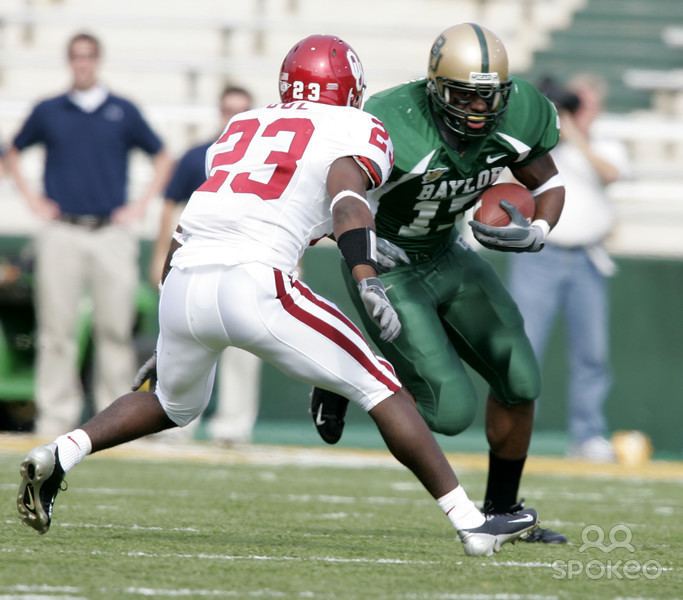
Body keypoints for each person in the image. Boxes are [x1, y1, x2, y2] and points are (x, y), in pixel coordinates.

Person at [17, 34, 539, 557]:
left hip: (186, 278)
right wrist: (364, 273)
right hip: (255, 281)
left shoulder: (240, 128)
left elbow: (190, 225)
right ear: (351, 87)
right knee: (382, 385)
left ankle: (62, 450)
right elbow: (346, 193)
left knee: (172, 404)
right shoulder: (357, 126)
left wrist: (167, 335)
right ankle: (473, 524)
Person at [309, 23, 567, 543]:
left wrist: (538, 229)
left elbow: (550, 182)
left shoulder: (520, 113)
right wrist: (361, 260)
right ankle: (346, 375)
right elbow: (338, 195)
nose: (477, 110)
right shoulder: (391, 121)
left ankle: (504, 511)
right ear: (434, 86)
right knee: (448, 412)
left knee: (520, 379)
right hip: (390, 264)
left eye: (488, 97)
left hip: (449, 251)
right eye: (464, 96)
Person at [6, 32, 172, 436]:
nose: (82, 64)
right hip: (62, 231)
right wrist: (32, 199)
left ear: (97, 60)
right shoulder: (49, 110)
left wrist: (139, 205)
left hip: (110, 233)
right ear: (69, 61)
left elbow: (163, 156)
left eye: (88, 57)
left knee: (114, 330)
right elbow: (11, 151)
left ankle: (113, 422)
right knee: (55, 331)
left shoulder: (122, 110)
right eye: (76, 57)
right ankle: (54, 419)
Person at [508, 74, 629, 462]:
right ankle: (516, 431)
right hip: (540, 255)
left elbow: (609, 173)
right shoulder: (545, 142)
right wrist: (552, 121)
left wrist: (576, 132)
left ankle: (588, 433)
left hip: (586, 259)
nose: (578, 107)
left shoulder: (606, 143)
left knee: (591, 353)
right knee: (525, 346)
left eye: (585, 101)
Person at [150, 85, 261, 445]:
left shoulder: (266, 155)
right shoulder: (199, 154)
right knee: (190, 344)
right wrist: (159, 257)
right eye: (229, 110)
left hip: (248, 262)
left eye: (241, 110)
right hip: (198, 263)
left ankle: (234, 426)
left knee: (244, 350)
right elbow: (170, 205)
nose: (233, 118)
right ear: (219, 111)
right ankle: (178, 422)